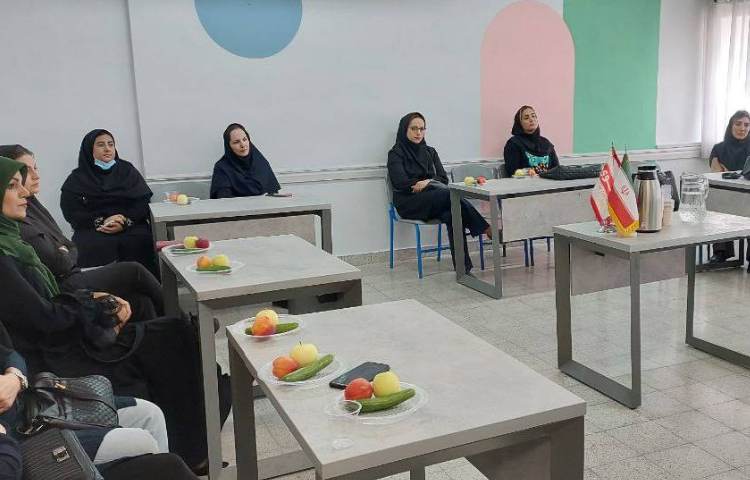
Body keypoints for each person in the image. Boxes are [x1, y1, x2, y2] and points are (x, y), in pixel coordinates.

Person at [0, 156, 230, 474]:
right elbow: (44, 319)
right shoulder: (4, 257)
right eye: (13, 186)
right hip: (59, 353)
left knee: (173, 330)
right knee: (173, 338)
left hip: (66, 333)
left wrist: (93, 303)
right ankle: (192, 448)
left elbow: (62, 268)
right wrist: (95, 307)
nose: (25, 191)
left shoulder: (13, 241)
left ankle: (195, 441)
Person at [0, 145, 163, 319]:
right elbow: (61, 256)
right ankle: (175, 315)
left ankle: (168, 325)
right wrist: (98, 222)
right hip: (63, 287)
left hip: (75, 271)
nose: (35, 176)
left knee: (141, 300)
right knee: (133, 270)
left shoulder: (33, 206)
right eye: (25, 171)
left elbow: (68, 245)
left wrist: (124, 220)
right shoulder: (15, 219)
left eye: (35, 168)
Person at [387, 112, 490, 273]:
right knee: (449, 195)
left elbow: (443, 178)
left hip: (433, 200)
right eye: (414, 128)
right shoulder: (396, 153)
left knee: (453, 214)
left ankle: (463, 270)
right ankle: (485, 228)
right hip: (409, 202)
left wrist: (427, 182)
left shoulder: (430, 152)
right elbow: (400, 182)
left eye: (422, 129)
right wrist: (425, 184)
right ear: (404, 130)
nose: (418, 132)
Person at [60, 130, 158, 276]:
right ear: (89, 149)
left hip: (130, 225)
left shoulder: (127, 171)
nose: (107, 149)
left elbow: (142, 203)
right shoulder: (77, 178)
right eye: (101, 145)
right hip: (93, 228)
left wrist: (124, 220)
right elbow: (71, 212)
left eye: (110, 144)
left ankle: (145, 287)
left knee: (140, 241)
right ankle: (101, 288)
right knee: (89, 245)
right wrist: (102, 221)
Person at [708, 110, 750, 264]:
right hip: (726, 194)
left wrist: (731, 172)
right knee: (718, 203)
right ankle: (721, 252)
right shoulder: (719, 148)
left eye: (746, 125)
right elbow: (717, 172)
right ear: (731, 126)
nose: (742, 128)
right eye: (738, 124)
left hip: (748, 194)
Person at [210, 123, 281, 198]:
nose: (243, 145)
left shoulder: (261, 162)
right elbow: (224, 199)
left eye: (244, 139)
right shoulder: (222, 168)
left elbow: (273, 193)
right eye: (236, 142)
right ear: (229, 146)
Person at [503, 105, 559, 177]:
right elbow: (512, 172)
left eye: (533, 116)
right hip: (525, 184)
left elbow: (557, 169)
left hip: (549, 183)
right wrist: (526, 172)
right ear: (519, 123)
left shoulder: (546, 144)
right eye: (526, 118)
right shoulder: (514, 144)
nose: (531, 119)